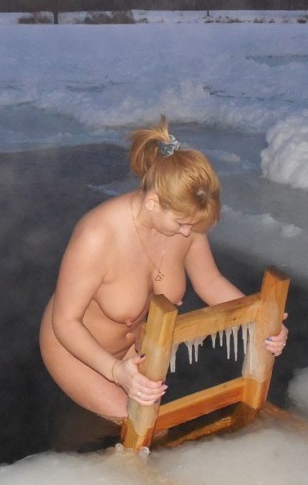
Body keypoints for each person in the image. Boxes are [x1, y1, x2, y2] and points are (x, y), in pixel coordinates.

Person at [40, 117, 288, 423]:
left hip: (133, 348)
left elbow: (210, 282)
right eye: (182, 224)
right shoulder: (98, 236)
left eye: (193, 224)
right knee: (139, 427)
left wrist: (263, 320)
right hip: (75, 351)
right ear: (154, 202)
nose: (188, 233)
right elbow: (65, 322)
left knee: (157, 424)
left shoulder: (187, 222)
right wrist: (115, 372)